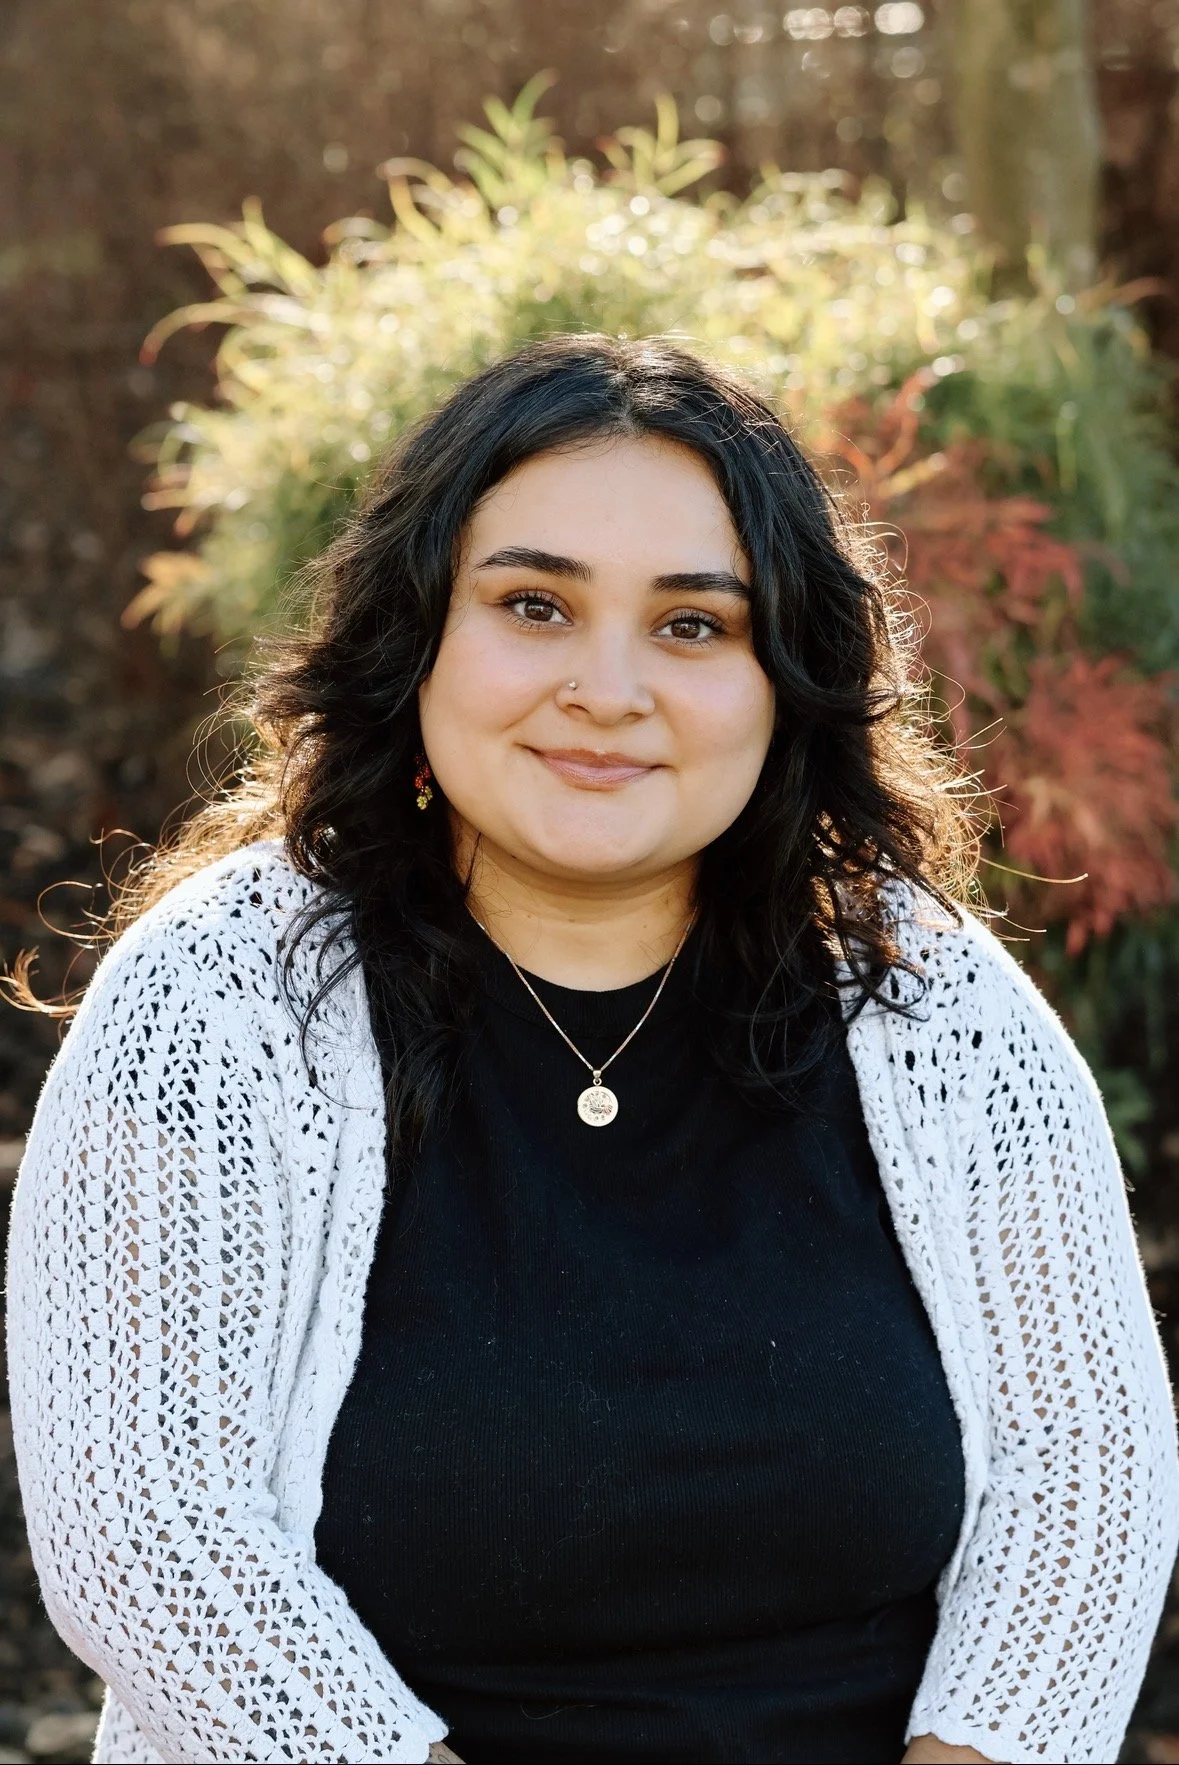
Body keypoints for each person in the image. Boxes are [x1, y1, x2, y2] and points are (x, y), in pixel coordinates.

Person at [6, 335, 1177, 1765]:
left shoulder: (932, 1003)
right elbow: (150, 1540)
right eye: (534, 605)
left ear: (781, 676)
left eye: (693, 625)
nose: (608, 689)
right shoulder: (215, 1004)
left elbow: (1086, 1491)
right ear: (416, 631)